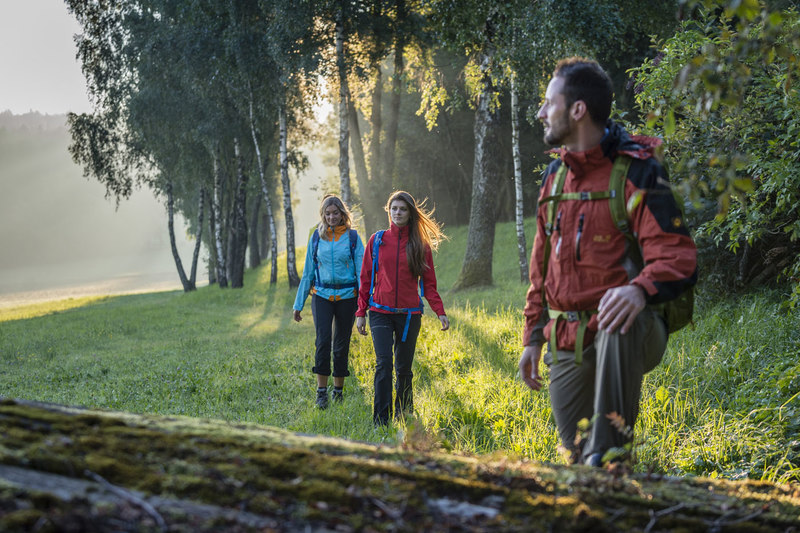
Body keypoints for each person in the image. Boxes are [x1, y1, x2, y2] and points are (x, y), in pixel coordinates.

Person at [518, 57, 697, 466]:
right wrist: (532, 336)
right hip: (569, 336)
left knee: (603, 456)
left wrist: (638, 290)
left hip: (633, 329)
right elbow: (540, 267)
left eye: (549, 103)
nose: (541, 112)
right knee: (577, 459)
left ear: (577, 110)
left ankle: (611, 455)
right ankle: (597, 468)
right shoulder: (554, 179)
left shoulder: (639, 171)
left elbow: (678, 255)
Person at [355, 191, 450, 426]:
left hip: (409, 316)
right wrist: (360, 312)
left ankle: (404, 414)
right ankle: (381, 420)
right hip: (379, 313)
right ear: (388, 210)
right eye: (394, 208)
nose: (398, 213)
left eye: (403, 209)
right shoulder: (377, 241)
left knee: (404, 368)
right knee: (384, 364)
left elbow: (429, 284)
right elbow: (366, 279)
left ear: (410, 213)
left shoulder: (420, 245)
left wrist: (440, 312)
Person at [294, 194, 365, 409]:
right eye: (328, 214)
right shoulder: (316, 237)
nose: (332, 217)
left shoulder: (353, 238)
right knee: (323, 341)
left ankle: (338, 391)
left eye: (335, 213)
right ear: (323, 216)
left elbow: (363, 273)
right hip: (322, 296)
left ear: (343, 214)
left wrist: (363, 306)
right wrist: (298, 304)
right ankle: (321, 392)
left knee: (341, 344)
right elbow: (308, 273)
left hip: (347, 297)